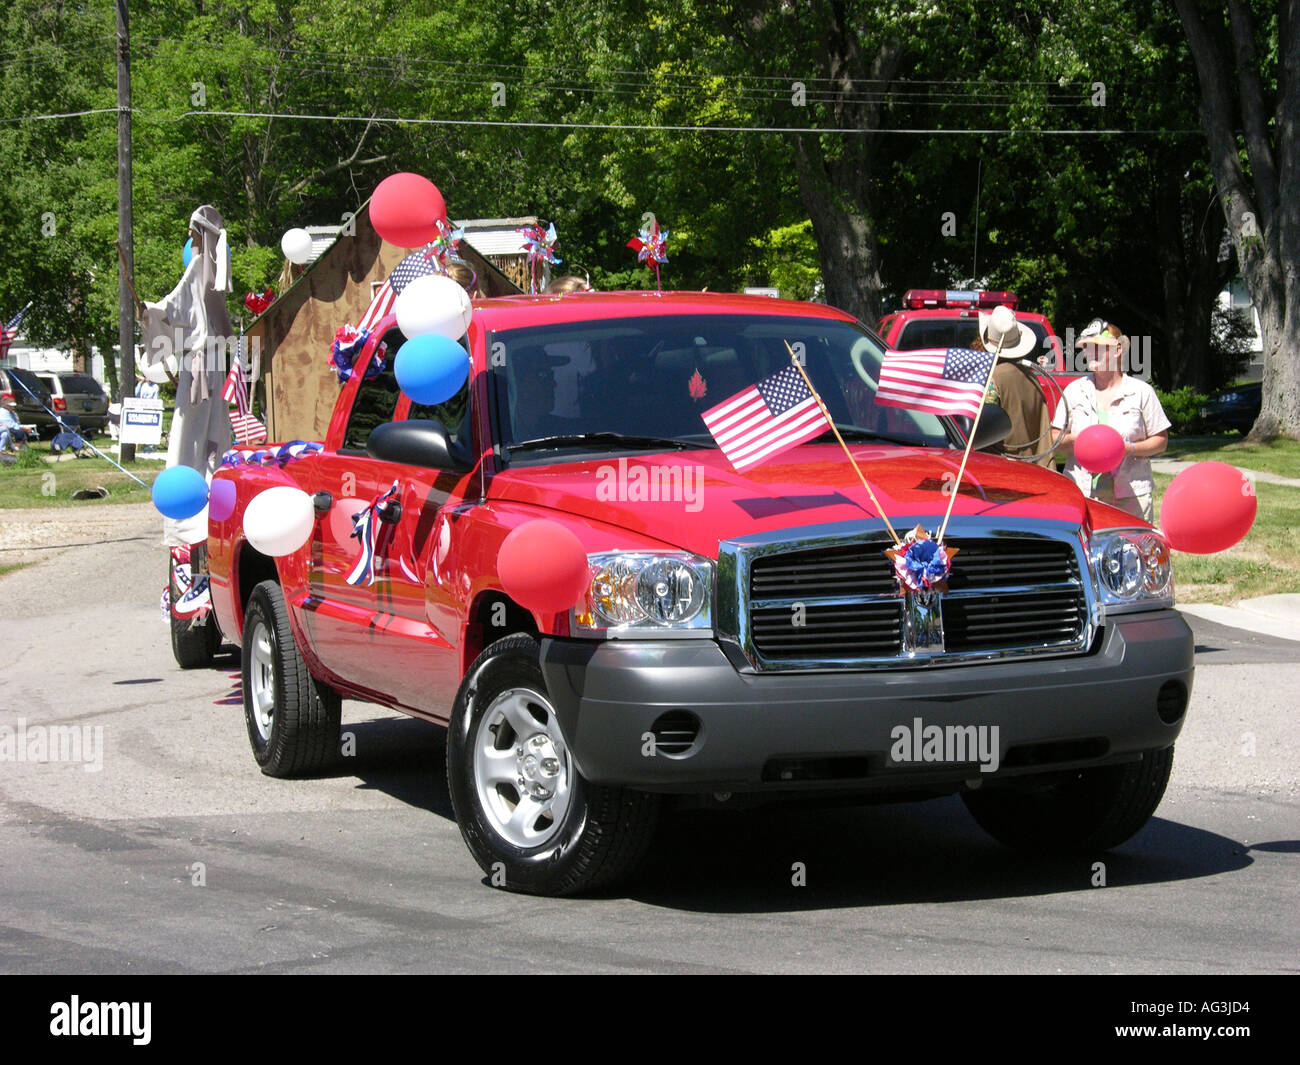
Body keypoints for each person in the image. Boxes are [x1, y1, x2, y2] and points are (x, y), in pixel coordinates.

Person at [1052, 318, 1170, 521]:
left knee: (1132, 547)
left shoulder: (1141, 391)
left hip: (1131, 496)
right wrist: (1083, 441)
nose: (1091, 353)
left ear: (1117, 350)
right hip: (1082, 493)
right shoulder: (1074, 391)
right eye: (1087, 347)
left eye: (1098, 347)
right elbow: (1055, 438)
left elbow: (1161, 441)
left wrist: (1128, 449)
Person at [977, 307, 1054, 466]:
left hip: (1000, 470)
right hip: (1033, 470)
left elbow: (982, 434)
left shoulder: (991, 379)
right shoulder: (1032, 378)